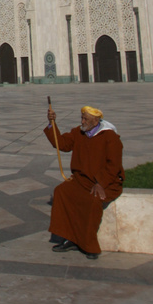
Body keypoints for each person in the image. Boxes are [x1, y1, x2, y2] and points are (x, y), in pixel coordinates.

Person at [44, 104, 124, 259]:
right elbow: (61, 143)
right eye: (82, 118)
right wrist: (51, 123)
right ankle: (70, 237)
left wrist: (101, 183)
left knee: (93, 200)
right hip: (81, 180)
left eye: (85, 119)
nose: (82, 122)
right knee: (62, 192)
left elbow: (113, 165)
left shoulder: (110, 137)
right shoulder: (78, 133)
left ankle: (89, 244)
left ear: (95, 121)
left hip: (105, 183)